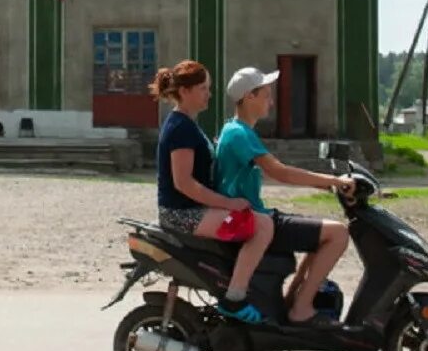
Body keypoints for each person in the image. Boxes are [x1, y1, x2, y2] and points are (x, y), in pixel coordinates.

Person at [216, 66, 356, 326]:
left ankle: (293, 301)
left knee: (321, 233)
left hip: (257, 215)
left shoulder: (237, 130)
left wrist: (324, 184)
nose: (271, 101)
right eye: (266, 94)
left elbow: (277, 172)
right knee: (337, 234)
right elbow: (281, 173)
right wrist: (334, 181)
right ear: (249, 97)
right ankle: (301, 309)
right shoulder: (239, 133)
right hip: (254, 220)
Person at [150, 60, 276, 325]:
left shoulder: (187, 123)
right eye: (203, 88)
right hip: (182, 214)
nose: (209, 94)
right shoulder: (180, 128)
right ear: (185, 92)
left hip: (193, 210)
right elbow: (184, 183)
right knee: (262, 225)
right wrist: (228, 203)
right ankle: (234, 298)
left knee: (257, 220)